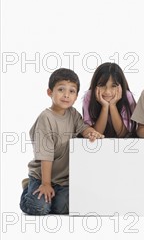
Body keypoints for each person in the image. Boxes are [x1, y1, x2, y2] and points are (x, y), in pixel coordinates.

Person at [20, 68, 103, 215]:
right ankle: (29, 188)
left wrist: (91, 133)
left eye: (72, 91)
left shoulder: (73, 114)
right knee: (40, 208)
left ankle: (51, 197)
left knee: (67, 207)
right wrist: (45, 184)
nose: (66, 95)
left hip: (62, 180)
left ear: (76, 96)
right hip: (42, 176)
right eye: (61, 89)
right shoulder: (46, 118)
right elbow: (46, 155)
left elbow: (83, 128)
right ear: (50, 92)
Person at [82, 62, 137, 137]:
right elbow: (96, 134)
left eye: (113, 86)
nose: (107, 92)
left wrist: (113, 105)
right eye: (102, 85)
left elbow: (123, 134)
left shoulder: (127, 96)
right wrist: (105, 107)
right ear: (95, 85)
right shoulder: (90, 95)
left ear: (121, 86)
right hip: (97, 144)